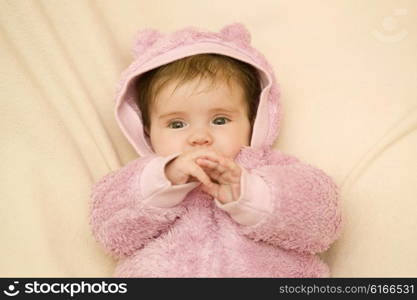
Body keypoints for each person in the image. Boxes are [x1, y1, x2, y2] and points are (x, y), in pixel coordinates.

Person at [89, 23, 342, 277]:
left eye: (220, 120)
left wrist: (251, 194)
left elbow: (321, 224)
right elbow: (110, 233)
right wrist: (162, 180)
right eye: (177, 124)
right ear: (147, 131)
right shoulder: (139, 181)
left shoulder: (272, 170)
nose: (200, 137)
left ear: (254, 119)